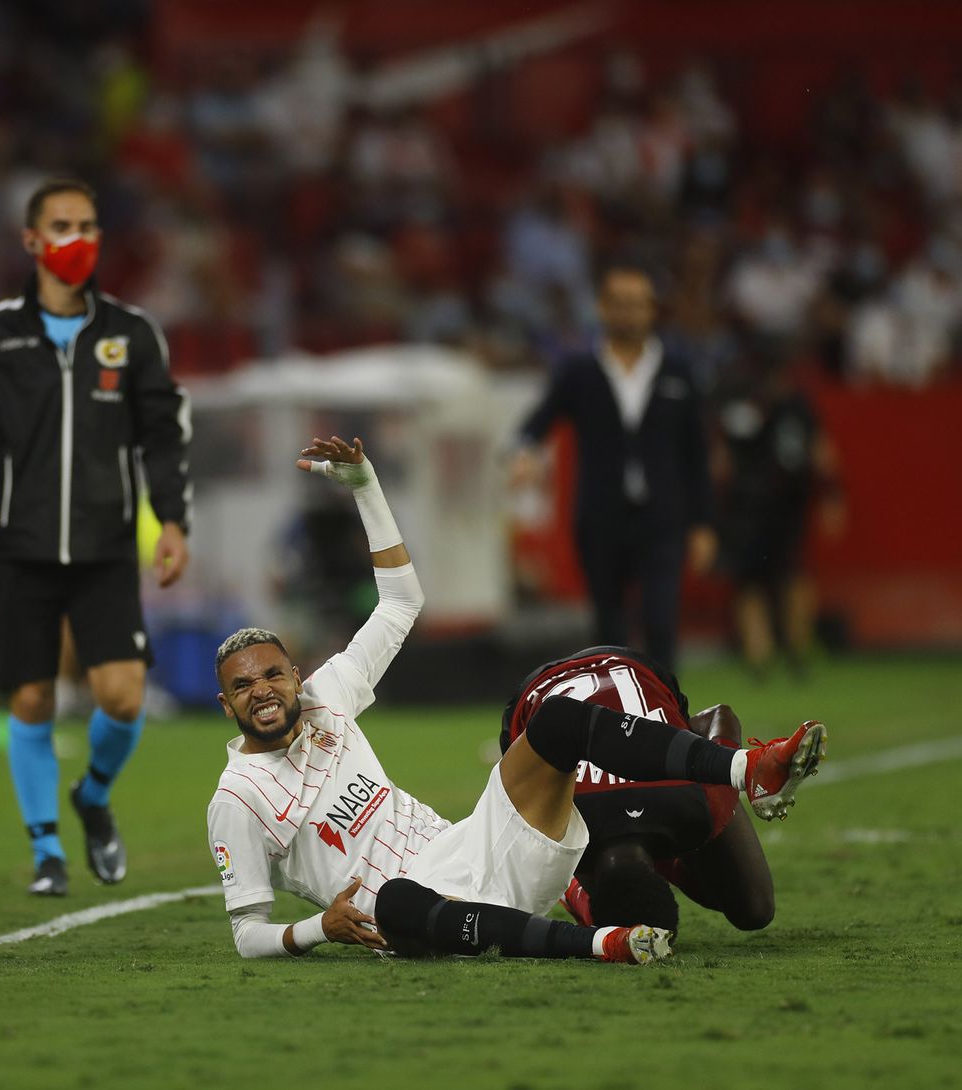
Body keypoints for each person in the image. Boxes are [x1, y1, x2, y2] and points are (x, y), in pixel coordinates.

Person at [208, 435, 825, 961]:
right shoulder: (238, 797)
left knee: (557, 721)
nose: (262, 691)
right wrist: (320, 928)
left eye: (272, 675)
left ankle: (749, 770)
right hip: (414, 913)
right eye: (243, 686)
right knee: (394, 898)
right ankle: (603, 943)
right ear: (226, 705)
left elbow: (400, 603)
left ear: (295, 675)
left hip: (478, 843)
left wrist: (365, 485)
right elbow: (246, 934)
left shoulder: (328, 695)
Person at [0, 178, 192, 896]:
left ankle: (93, 795)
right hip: (20, 547)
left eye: (88, 225)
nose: (78, 238)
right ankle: (47, 851)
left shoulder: (132, 334)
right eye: (63, 226)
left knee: (124, 697)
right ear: (32, 240)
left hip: (106, 547)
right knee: (32, 700)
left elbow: (162, 437)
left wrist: (172, 520)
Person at [510, 263, 717, 670]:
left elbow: (696, 452)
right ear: (602, 308)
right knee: (609, 626)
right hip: (601, 516)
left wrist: (704, 523)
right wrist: (525, 452)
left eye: (637, 304)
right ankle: (615, 705)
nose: (628, 313)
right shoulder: (580, 370)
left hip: (663, 516)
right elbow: (537, 422)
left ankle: (664, 706)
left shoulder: (677, 370)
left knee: (660, 620)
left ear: (652, 310)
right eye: (619, 303)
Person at [500, 646, 776, 935]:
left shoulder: (697, 809)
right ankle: (587, 887)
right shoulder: (553, 835)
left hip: (570, 681)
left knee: (755, 907)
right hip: (612, 672)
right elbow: (721, 714)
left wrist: (730, 780)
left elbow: (720, 716)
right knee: (751, 907)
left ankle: (575, 891)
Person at [711, 355, 846, 677]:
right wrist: (833, 494)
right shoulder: (785, 404)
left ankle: (782, 653)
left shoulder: (756, 403)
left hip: (770, 505)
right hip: (758, 505)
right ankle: (773, 655)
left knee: (780, 579)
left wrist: (833, 495)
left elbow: (721, 461)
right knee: (763, 580)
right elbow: (822, 452)